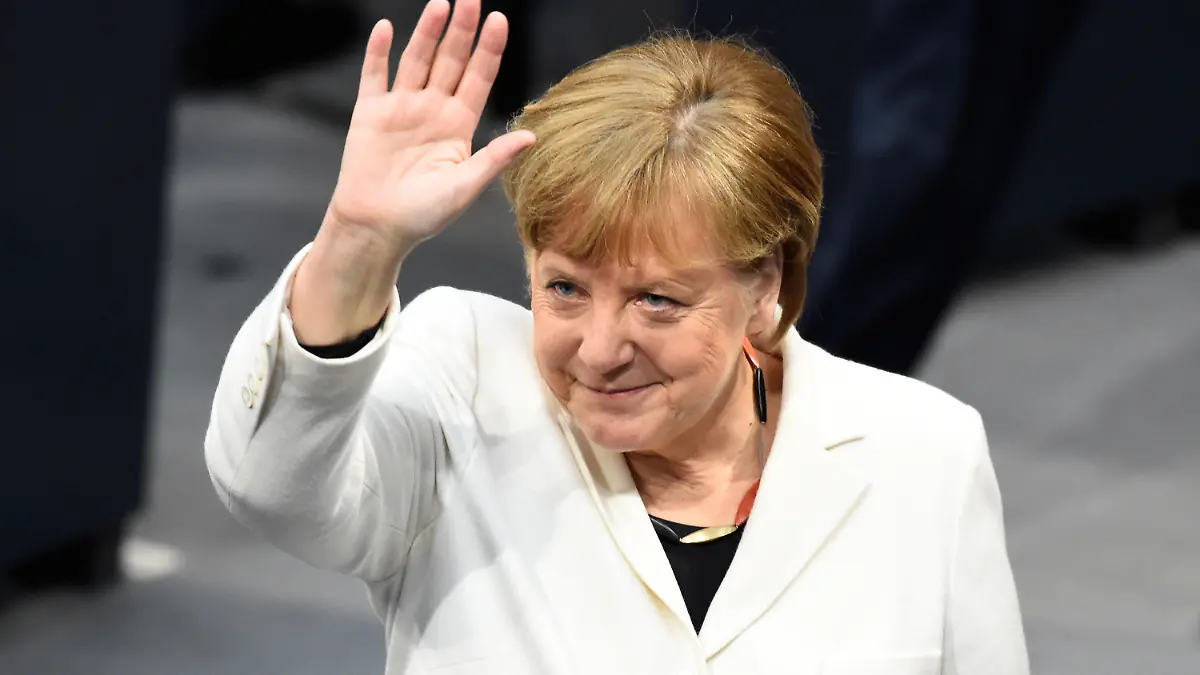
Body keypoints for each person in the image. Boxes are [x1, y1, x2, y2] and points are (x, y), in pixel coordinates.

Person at [204, 1, 1027, 672]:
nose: (599, 350)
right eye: (564, 287)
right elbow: (272, 486)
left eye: (657, 301)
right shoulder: (462, 386)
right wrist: (357, 241)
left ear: (764, 283)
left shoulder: (926, 457)